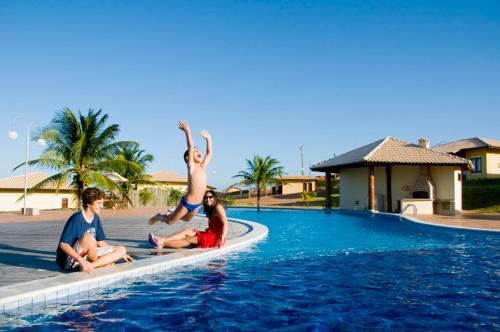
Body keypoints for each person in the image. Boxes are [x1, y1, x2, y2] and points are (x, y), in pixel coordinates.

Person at [149, 120, 212, 225]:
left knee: (186, 219)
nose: (198, 152)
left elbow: (209, 153)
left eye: (199, 151)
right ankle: (159, 216)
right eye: (195, 151)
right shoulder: (191, 166)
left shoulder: (202, 167)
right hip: (187, 202)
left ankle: (173, 213)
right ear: (188, 158)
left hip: (197, 204)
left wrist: (208, 139)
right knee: (170, 222)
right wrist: (187, 131)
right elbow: (190, 146)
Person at [56, 187, 133, 273]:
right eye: (99, 203)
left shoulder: (95, 217)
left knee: (121, 249)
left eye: (102, 203)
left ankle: (92, 265)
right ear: (89, 204)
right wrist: (81, 260)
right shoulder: (77, 218)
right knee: (90, 238)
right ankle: (99, 264)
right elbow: (63, 244)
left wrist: (118, 254)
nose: (102, 206)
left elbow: (99, 242)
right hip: (71, 260)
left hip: (89, 256)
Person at [148, 190, 227, 249]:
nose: (208, 199)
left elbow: (225, 223)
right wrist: (172, 214)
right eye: (206, 197)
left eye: (210, 197)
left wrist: (223, 237)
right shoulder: (210, 209)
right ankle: (163, 240)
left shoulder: (218, 207)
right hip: (209, 234)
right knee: (187, 230)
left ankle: (163, 243)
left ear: (214, 198)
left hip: (215, 238)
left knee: (188, 240)